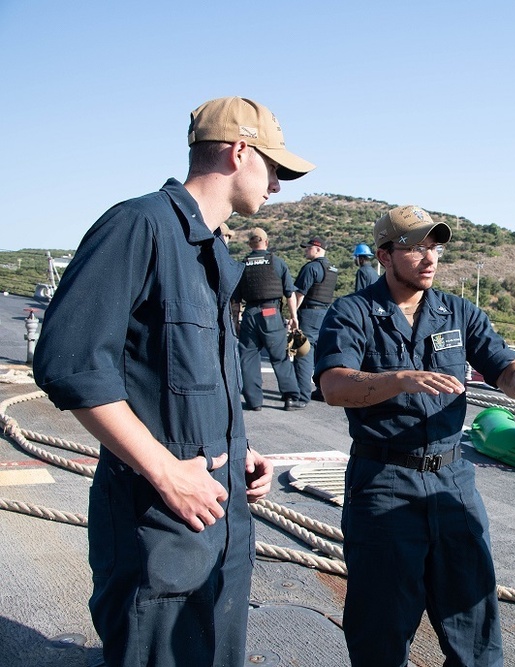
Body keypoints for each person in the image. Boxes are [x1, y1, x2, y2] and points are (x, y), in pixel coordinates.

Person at [32, 96, 314, 666]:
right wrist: (165, 471)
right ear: (239, 152)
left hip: (218, 519)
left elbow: (181, 376)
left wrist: (237, 450)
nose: (279, 185)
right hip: (157, 524)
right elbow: (70, 362)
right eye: (274, 168)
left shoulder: (210, 251)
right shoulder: (139, 225)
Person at [314, 205, 515, 667]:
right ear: (385, 256)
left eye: (435, 247)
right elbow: (333, 386)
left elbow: (499, 364)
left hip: (453, 484)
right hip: (383, 483)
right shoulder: (352, 312)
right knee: (380, 629)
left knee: (476, 628)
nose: (430, 258)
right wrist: (398, 379)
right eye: (415, 248)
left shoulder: (458, 312)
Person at [234, 227, 308, 411]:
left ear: (250, 244)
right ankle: (290, 398)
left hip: (250, 314)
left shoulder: (241, 265)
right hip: (271, 313)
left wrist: (235, 321)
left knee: (248, 358)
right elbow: (289, 293)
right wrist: (294, 317)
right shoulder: (277, 263)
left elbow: (234, 300)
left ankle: (253, 401)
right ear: (266, 242)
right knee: (280, 357)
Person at [291, 237, 338, 402]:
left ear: (317, 249)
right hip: (325, 313)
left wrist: (293, 315)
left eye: (308, 248)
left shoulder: (311, 268)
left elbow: (299, 294)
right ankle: (321, 390)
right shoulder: (332, 269)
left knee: (302, 353)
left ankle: (301, 396)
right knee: (321, 353)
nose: (305, 250)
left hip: (309, 314)